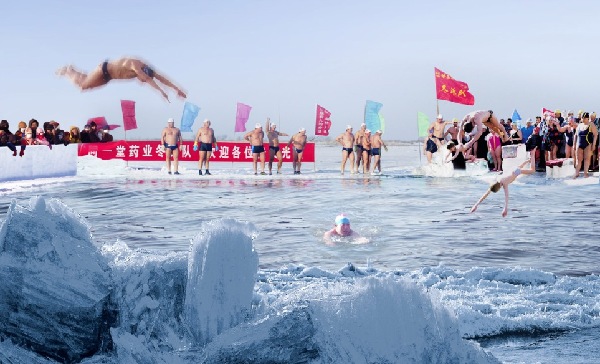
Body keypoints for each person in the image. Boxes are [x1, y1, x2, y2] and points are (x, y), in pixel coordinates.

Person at [56, 57, 186, 102]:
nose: (142, 82)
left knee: (86, 83)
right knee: (83, 86)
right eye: (143, 80)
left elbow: (161, 77)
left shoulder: (147, 69)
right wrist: (161, 92)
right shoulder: (135, 65)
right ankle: (69, 70)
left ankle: (75, 71)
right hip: (104, 69)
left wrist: (176, 89)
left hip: (108, 77)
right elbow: (148, 79)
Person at [470, 159, 535, 217]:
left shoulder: (504, 183)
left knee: (532, 170)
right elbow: (485, 194)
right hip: (513, 170)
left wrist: (505, 208)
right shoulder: (498, 179)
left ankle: (532, 154)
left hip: (515, 172)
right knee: (519, 167)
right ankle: (527, 160)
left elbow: (506, 196)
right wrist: (475, 205)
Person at [573, 112, 598, 179]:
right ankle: (577, 173)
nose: (583, 119)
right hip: (579, 144)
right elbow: (575, 135)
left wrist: (594, 144)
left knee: (587, 159)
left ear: (587, 118)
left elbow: (595, 134)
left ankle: (585, 173)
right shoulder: (579, 125)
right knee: (579, 159)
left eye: (584, 118)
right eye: (582, 118)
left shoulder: (591, 124)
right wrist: (574, 144)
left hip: (588, 144)